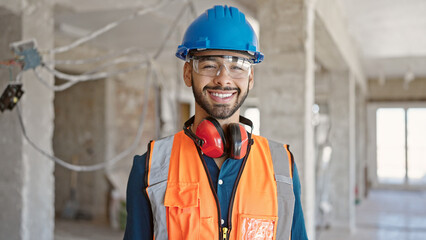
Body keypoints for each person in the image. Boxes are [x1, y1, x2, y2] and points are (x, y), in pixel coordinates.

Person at [124, 5, 308, 240]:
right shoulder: (150, 167)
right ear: (188, 73)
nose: (223, 79)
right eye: (209, 65)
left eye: (237, 66)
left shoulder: (282, 168)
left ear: (250, 78)